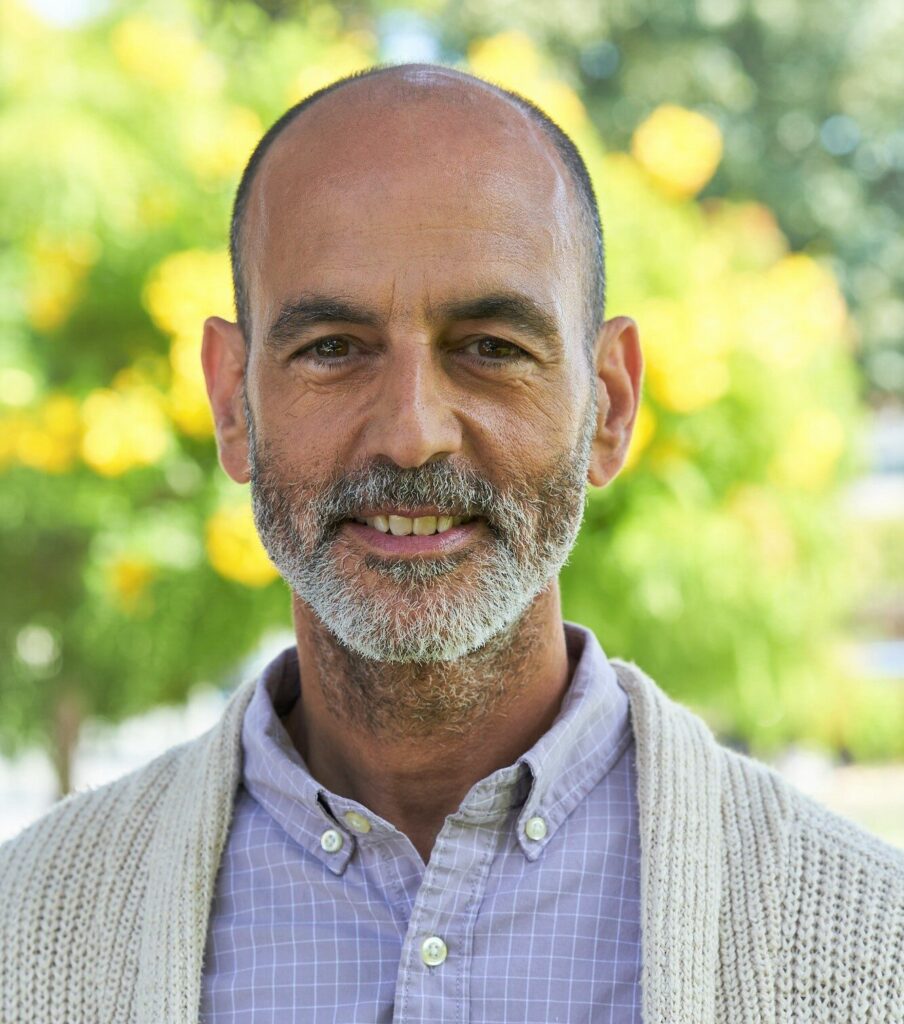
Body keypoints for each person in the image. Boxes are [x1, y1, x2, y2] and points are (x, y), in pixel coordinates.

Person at [1, 64, 902, 1024]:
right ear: (233, 402)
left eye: (491, 348)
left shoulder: (867, 953)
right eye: (334, 349)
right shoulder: (28, 942)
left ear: (609, 405)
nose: (413, 430)